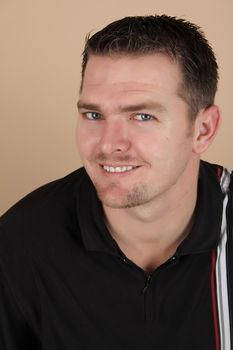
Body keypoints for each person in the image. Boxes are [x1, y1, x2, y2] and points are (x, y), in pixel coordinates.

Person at [0, 14, 232, 350]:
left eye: (142, 116)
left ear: (203, 130)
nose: (109, 144)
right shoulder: (19, 246)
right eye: (94, 115)